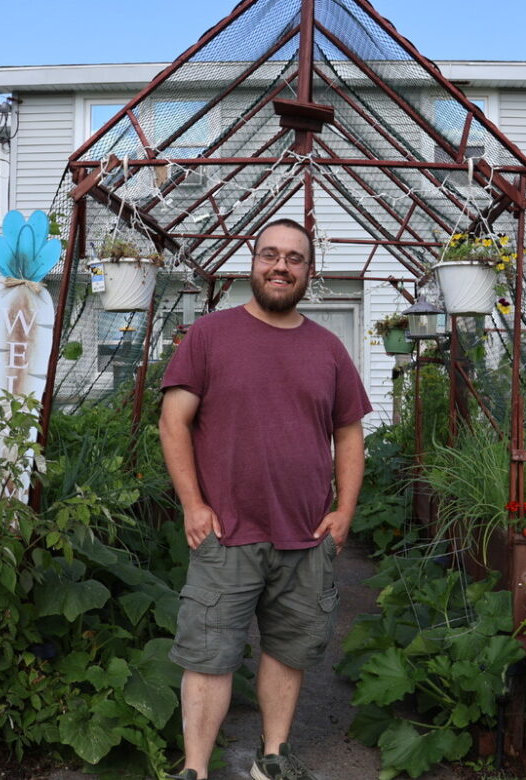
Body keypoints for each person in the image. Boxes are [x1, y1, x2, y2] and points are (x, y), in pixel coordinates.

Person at [159, 218, 371, 780]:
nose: (281, 266)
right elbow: (172, 422)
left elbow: (349, 433)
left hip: (305, 536)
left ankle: (271, 758)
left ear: (308, 272)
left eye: (294, 258)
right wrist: (192, 504)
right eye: (270, 254)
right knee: (209, 654)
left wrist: (344, 510)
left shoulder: (328, 349)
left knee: (288, 650)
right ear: (252, 263)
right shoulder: (209, 335)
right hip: (224, 530)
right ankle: (197, 770)